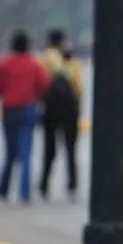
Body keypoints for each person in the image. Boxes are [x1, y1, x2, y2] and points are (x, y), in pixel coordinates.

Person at [0, 30, 50, 204]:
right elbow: (45, 84)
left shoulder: (3, 63)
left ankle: (4, 186)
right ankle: (25, 191)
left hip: (10, 108)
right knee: (26, 150)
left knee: (10, 151)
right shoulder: (34, 64)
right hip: (29, 108)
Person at [37, 29, 84, 201]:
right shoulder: (73, 61)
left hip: (51, 109)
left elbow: (41, 84)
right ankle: (72, 184)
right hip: (70, 110)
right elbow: (79, 88)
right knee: (71, 150)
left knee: (49, 150)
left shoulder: (45, 59)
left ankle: (44, 184)